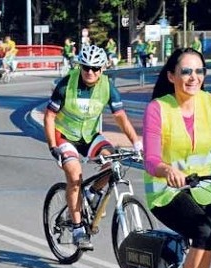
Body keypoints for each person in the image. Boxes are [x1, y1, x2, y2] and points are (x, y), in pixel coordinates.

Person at [142, 48, 211, 268]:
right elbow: (150, 159)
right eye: (186, 71)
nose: (193, 77)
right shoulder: (158, 109)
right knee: (205, 230)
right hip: (167, 191)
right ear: (172, 76)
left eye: (199, 71)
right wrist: (165, 170)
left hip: (207, 188)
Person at [44, 44, 141, 250]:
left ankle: (92, 193)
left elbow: (121, 117)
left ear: (102, 69)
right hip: (64, 135)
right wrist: (53, 146)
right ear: (80, 66)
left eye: (95, 68)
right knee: (75, 174)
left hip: (89, 135)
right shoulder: (66, 84)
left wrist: (137, 143)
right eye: (86, 67)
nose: (90, 72)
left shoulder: (107, 86)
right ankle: (78, 228)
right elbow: (50, 116)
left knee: (113, 162)